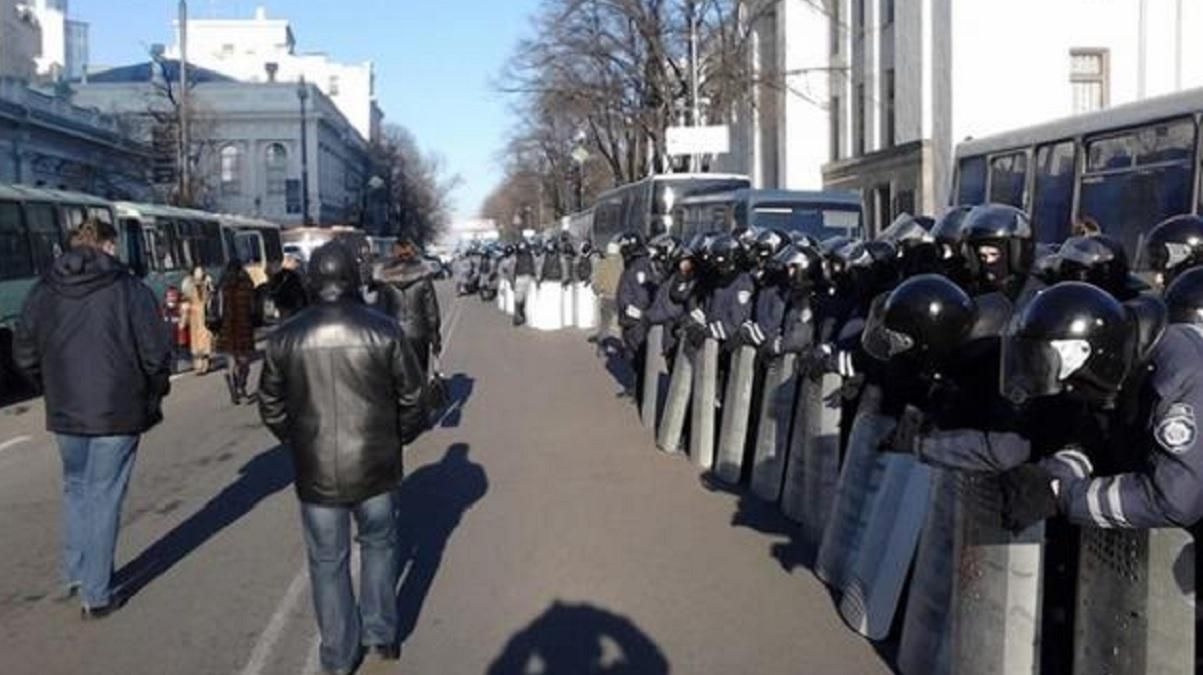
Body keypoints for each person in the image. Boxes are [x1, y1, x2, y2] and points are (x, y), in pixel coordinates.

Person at [259, 241, 426, 675]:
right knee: (379, 547)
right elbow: (414, 399)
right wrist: (396, 440)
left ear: (314, 281)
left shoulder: (286, 336)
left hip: (318, 473)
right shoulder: (384, 329)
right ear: (353, 278)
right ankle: (381, 635)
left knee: (327, 562)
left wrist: (301, 443)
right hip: (376, 464)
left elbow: (271, 407)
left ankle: (337, 654)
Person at [14, 219, 172, 619]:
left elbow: (24, 351)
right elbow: (155, 353)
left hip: (66, 409)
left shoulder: (44, 289)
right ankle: (97, 593)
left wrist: (51, 384)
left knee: (76, 490)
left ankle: (76, 572)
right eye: (114, 244)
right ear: (104, 244)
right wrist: (153, 391)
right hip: (117, 408)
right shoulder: (128, 288)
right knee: (104, 496)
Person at [374, 238, 442, 374]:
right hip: (419, 333)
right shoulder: (423, 277)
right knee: (420, 373)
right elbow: (432, 312)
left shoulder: (385, 279)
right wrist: (435, 337)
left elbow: (380, 312)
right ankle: (422, 394)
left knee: (397, 375)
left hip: (394, 333)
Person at [217, 259, 258, 405]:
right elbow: (253, 308)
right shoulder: (247, 285)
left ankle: (231, 382)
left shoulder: (223, 286)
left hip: (227, 326)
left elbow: (219, 311)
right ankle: (241, 385)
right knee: (245, 360)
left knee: (231, 359)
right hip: (243, 325)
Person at [182, 265, 215, 375]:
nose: (199, 274)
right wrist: (184, 316)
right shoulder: (188, 284)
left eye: (200, 272)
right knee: (196, 342)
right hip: (194, 317)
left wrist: (209, 285)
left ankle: (204, 365)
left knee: (205, 340)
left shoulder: (206, 283)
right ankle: (198, 365)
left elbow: (211, 297)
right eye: (197, 272)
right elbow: (185, 300)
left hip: (204, 315)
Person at [265, 254, 310, 321]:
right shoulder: (290, 276)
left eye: (269, 275)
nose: (268, 279)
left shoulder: (283, 281)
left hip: (293, 309)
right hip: (298, 309)